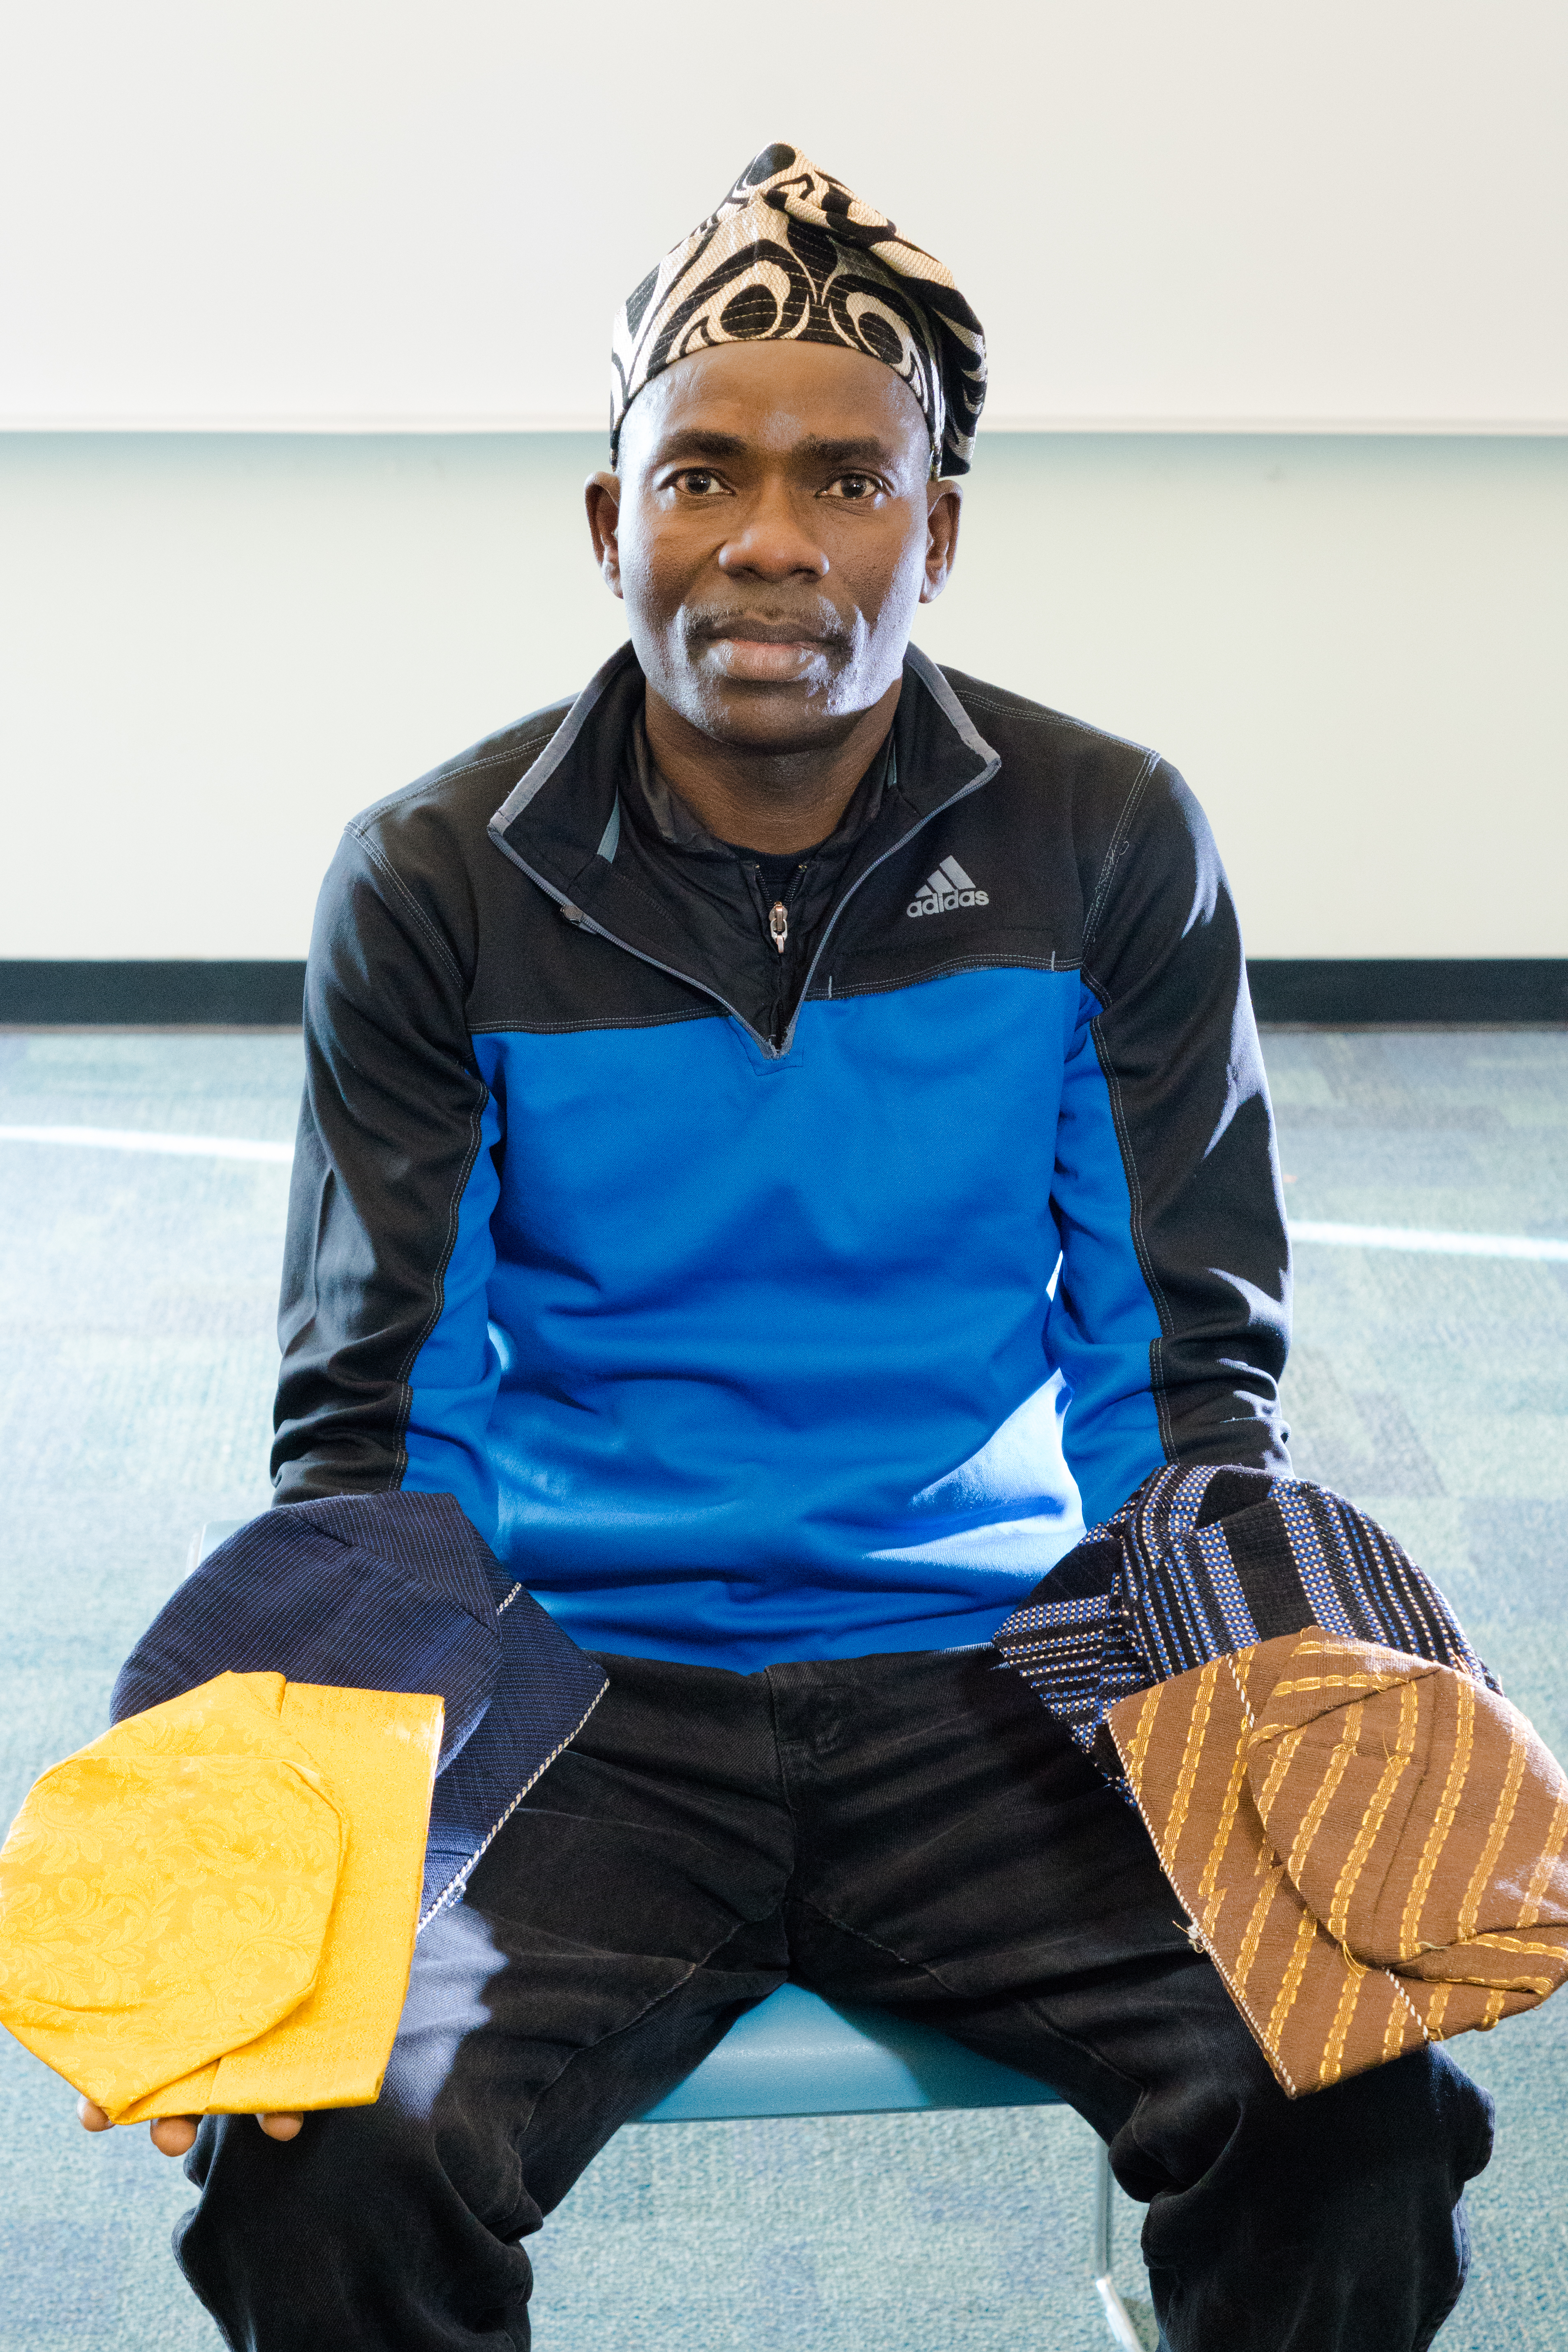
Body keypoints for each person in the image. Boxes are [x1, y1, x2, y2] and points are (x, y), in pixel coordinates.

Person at [84, 144, 1492, 2349]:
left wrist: (1253, 1690)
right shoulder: (436, 882)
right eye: (702, 473)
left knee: (1349, 2096)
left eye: (845, 481)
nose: (768, 542)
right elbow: (373, 1424)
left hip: (991, 1674)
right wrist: (321, 1827)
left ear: (932, 531)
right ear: (607, 521)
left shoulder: (1101, 838)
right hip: (573, 1688)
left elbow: (1177, 1376)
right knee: (325, 2152)